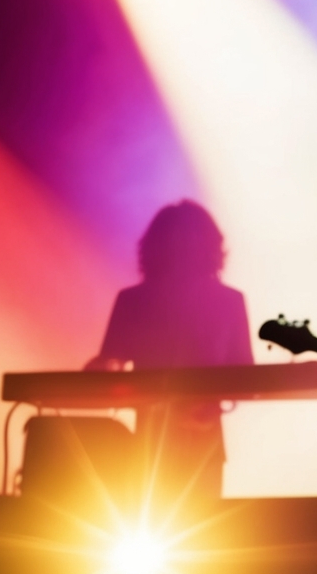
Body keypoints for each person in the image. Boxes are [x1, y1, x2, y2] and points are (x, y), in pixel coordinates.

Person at [86, 199, 253, 505]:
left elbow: (245, 378)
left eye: (190, 241)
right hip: (156, 443)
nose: (184, 250)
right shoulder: (134, 300)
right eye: (176, 241)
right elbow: (108, 362)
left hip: (183, 442)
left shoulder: (228, 301)